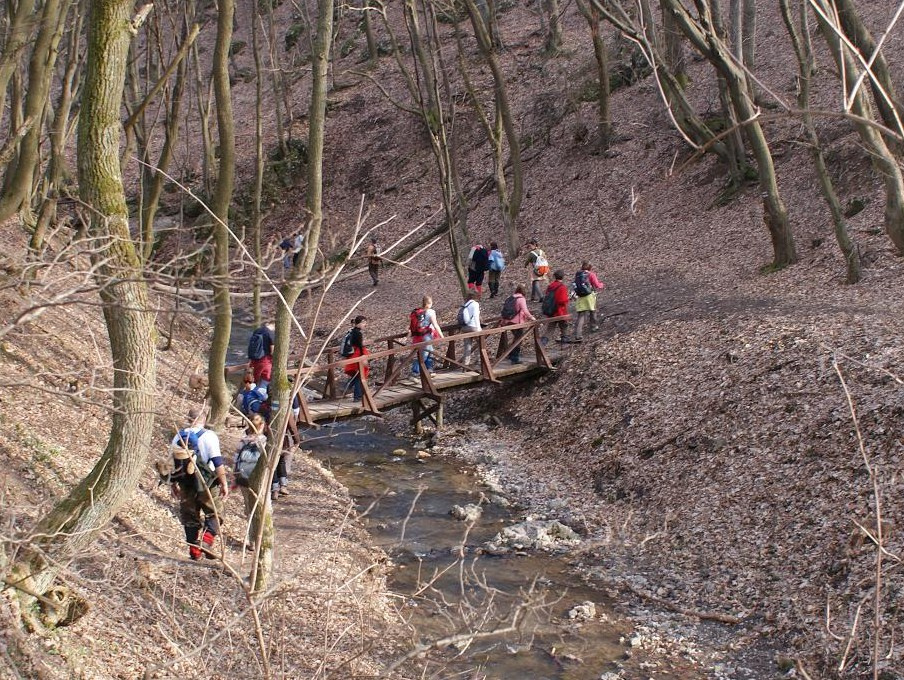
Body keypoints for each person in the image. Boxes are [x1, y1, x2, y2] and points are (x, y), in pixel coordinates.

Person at [170, 407, 229, 560]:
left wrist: (173, 484)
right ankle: (206, 541)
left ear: (188, 419)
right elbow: (217, 461)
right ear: (204, 420)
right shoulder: (209, 436)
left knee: (189, 516)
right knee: (215, 512)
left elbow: (173, 463)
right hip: (206, 483)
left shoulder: (178, 436)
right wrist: (224, 483)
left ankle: (195, 553)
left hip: (185, 483)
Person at [234, 414, 269, 518]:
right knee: (260, 496)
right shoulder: (264, 440)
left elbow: (236, 456)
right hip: (258, 474)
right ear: (262, 425)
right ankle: (259, 516)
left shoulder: (245, 439)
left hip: (243, 472)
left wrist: (235, 471)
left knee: (247, 496)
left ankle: (249, 513)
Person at [499, 284, 535, 364]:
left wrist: (503, 320)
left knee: (516, 339)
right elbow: (525, 311)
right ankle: (514, 358)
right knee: (519, 340)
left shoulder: (510, 297)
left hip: (508, 321)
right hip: (517, 322)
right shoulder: (521, 299)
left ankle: (510, 354)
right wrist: (532, 318)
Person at [409, 295, 444, 376]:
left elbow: (411, 326)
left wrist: (409, 336)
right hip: (426, 337)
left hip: (417, 337)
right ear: (429, 303)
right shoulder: (431, 312)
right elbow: (435, 325)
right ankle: (414, 372)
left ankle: (429, 369)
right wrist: (442, 336)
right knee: (424, 354)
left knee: (429, 351)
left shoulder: (417, 312)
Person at [572, 261, 605, 342]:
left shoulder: (578, 274)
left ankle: (578, 334)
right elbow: (597, 285)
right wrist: (602, 285)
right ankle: (593, 327)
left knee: (581, 316)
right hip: (589, 296)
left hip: (580, 297)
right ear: (590, 268)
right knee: (593, 311)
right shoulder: (591, 274)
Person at [342, 315, 370, 401]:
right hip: (357, 356)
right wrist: (363, 358)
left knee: (357, 375)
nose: (366, 324)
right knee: (360, 375)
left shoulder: (352, 331)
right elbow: (360, 347)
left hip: (352, 356)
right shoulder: (358, 333)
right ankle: (357, 397)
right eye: (364, 323)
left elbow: (356, 344)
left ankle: (346, 387)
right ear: (360, 323)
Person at [542, 269, 571, 343]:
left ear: (555, 277)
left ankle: (542, 343)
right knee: (564, 326)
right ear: (563, 277)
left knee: (550, 329)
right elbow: (562, 300)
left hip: (551, 311)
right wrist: (568, 299)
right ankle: (564, 343)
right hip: (560, 311)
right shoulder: (562, 287)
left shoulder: (550, 286)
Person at [247, 322, 275, 388]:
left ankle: (247, 394)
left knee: (253, 379)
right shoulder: (271, 334)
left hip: (254, 358)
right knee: (266, 378)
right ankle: (260, 395)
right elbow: (272, 351)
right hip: (265, 360)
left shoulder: (257, 330)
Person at [457, 290, 481, 368]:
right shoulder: (475, 304)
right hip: (473, 327)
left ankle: (465, 365)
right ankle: (480, 361)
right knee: (481, 343)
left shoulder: (465, 304)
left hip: (464, 327)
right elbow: (476, 317)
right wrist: (479, 329)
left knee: (467, 346)